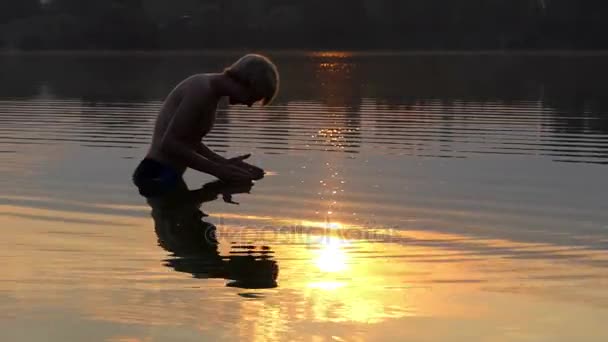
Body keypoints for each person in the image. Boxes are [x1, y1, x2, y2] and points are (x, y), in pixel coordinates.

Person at [133, 54, 279, 195]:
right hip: (157, 175)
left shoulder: (210, 92)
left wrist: (223, 163)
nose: (249, 104)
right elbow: (170, 144)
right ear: (246, 82)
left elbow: (189, 141)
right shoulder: (201, 90)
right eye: (253, 97)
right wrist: (218, 170)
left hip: (167, 174)